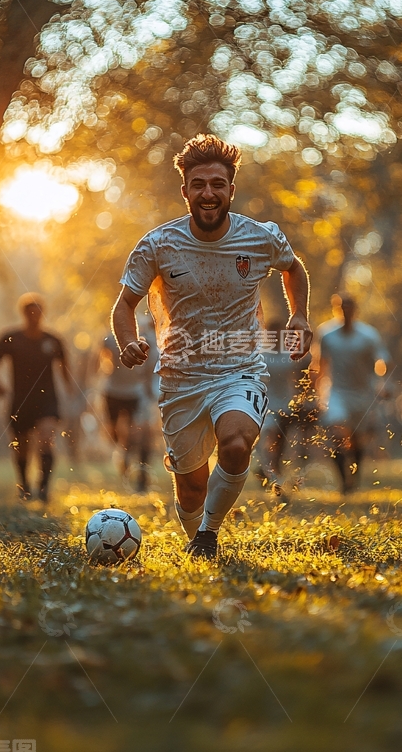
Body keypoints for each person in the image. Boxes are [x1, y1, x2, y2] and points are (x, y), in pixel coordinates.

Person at [111, 134, 311, 559]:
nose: (208, 193)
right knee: (191, 488)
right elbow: (124, 305)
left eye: (217, 184)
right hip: (180, 378)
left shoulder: (259, 237)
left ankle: (208, 536)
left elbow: (293, 269)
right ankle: (196, 529)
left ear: (231, 190)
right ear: (184, 190)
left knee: (237, 444)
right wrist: (128, 342)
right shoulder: (157, 245)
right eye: (198, 184)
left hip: (239, 369)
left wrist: (299, 314)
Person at [0, 293, 76, 503]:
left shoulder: (53, 340)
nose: (35, 316)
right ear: (24, 314)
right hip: (20, 399)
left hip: (48, 400)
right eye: (30, 312)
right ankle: (25, 485)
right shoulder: (11, 338)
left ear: (42, 313)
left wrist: (71, 390)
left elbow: (65, 368)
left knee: (46, 439)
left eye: (38, 312)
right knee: (22, 446)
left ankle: (44, 487)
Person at [315, 294, 390, 494]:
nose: (345, 311)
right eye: (341, 307)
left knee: (356, 439)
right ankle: (343, 483)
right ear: (336, 309)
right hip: (336, 392)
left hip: (362, 395)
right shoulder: (327, 334)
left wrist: (382, 381)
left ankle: (354, 478)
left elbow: (382, 361)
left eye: (349, 308)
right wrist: (316, 393)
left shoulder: (369, 335)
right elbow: (321, 365)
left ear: (355, 310)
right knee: (337, 435)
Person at [100, 315, 157, 492]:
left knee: (138, 433)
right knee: (116, 435)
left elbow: (151, 374)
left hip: (136, 393)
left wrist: (150, 396)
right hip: (112, 391)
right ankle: (122, 453)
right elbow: (101, 358)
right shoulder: (111, 339)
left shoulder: (152, 347)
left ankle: (140, 476)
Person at [256, 318, 307, 497]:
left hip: (286, 405)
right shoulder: (261, 354)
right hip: (266, 405)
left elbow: (302, 377)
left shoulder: (291, 354)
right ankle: (272, 477)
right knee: (269, 435)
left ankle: (270, 471)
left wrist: (303, 399)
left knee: (279, 445)